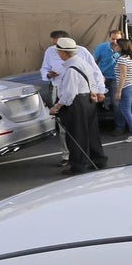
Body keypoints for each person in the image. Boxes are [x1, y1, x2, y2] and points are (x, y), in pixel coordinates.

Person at [42, 30, 105, 167]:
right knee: (91, 132)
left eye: (58, 51)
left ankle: (78, 165)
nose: (57, 53)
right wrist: (94, 91)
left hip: (77, 102)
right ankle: (98, 160)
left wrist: (57, 106)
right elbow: (93, 77)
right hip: (88, 99)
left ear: (64, 53)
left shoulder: (70, 69)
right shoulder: (82, 63)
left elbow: (69, 93)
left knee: (76, 134)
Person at [92, 29, 126, 134]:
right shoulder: (101, 47)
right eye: (113, 39)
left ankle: (119, 127)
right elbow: (93, 62)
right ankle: (94, 126)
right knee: (94, 101)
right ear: (109, 38)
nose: (115, 41)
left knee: (116, 103)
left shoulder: (124, 48)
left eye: (118, 39)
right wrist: (96, 76)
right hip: (102, 78)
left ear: (122, 38)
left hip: (116, 78)